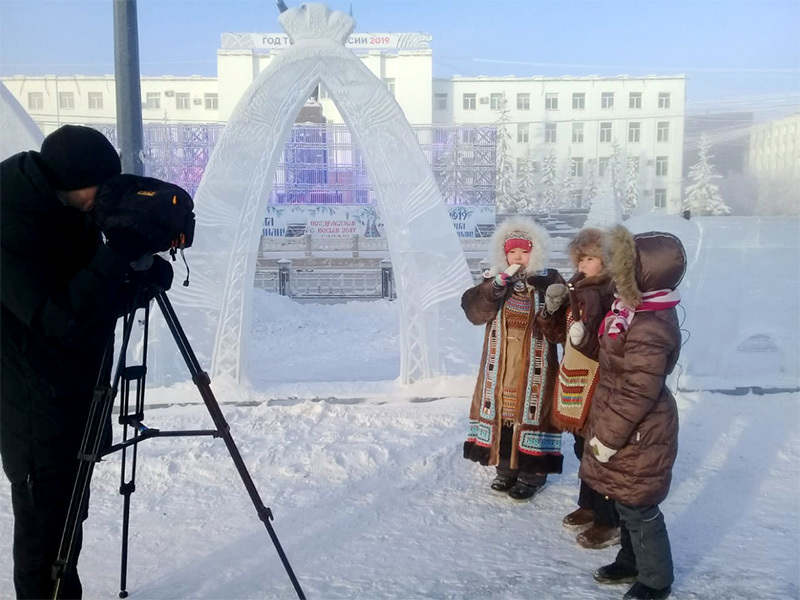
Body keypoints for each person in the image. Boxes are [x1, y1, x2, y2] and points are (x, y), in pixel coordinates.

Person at [0, 125, 160, 599]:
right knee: (45, 540)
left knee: (70, 523)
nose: (103, 199)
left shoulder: (71, 211)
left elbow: (89, 296)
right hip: (36, 413)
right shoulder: (9, 226)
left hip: (80, 399)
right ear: (68, 181)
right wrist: (115, 258)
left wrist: (140, 278)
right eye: (100, 188)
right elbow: (58, 316)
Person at [579, 225, 686, 600]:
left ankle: (656, 579)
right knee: (622, 499)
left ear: (641, 274)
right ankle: (630, 560)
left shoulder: (650, 324)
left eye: (624, 269)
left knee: (639, 507)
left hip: (640, 431)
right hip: (623, 424)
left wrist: (608, 436)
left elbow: (639, 390)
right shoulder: (630, 310)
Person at [461, 218, 567, 502]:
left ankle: (532, 475)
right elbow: (473, 312)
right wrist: (491, 289)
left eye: (524, 251)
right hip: (502, 363)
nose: (518, 257)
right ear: (503, 254)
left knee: (531, 412)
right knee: (505, 412)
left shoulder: (549, 280)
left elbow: (563, 327)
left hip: (535, 364)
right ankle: (505, 469)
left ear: (537, 252)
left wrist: (555, 306)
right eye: (512, 252)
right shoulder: (496, 281)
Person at [540, 228, 620, 549]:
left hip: (600, 381)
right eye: (581, 258)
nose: (584, 264)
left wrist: (583, 337)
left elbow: (610, 345)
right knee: (581, 447)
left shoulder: (611, 293)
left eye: (590, 258)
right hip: (575, 376)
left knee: (600, 452)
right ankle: (589, 504)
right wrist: (550, 310)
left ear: (606, 261)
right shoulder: (577, 287)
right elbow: (556, 333)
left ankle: (609, 518)